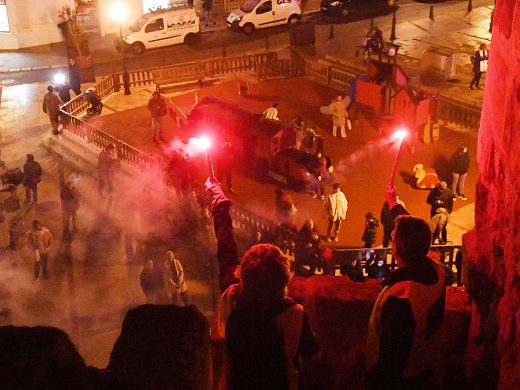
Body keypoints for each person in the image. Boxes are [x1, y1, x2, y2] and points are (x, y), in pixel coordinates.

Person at [366, 184, 446, 389]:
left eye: (395, 237)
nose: (392, 236)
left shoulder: (402, 298)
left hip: (403, 379)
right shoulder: (434, 267)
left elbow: (392, 359)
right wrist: (394, 203)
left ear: (398, 249)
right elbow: (415, 231)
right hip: (423, 364)